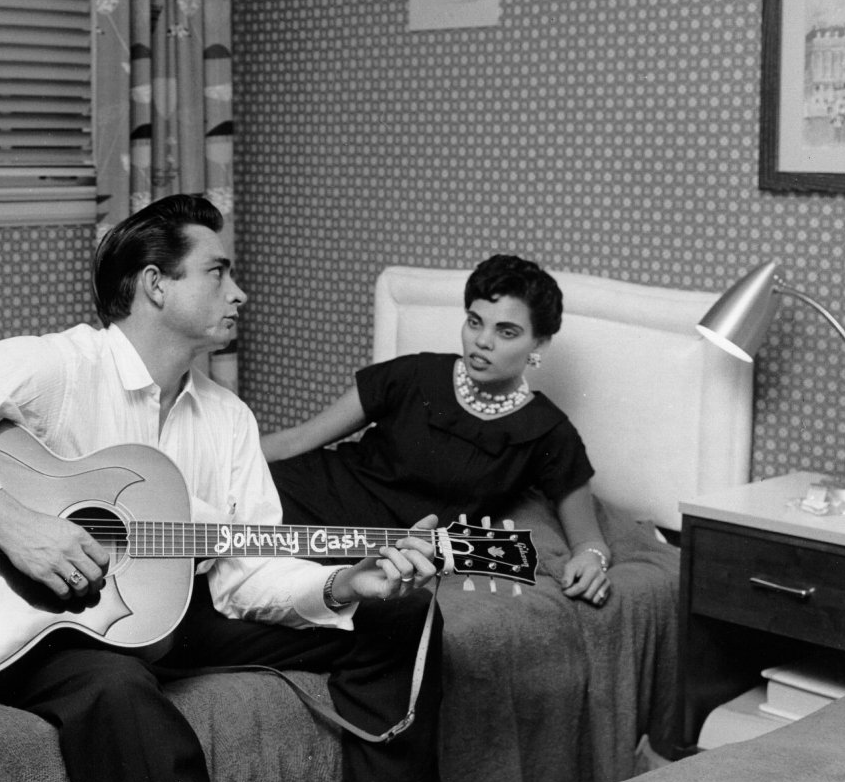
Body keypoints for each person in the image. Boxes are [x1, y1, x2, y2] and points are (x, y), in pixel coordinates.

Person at [0, 194, 443, 782]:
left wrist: (342, 584)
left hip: (169, 611)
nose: (240, 294)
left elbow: (241, 576)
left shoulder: (228, 418)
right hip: (45, 620)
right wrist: (6, 519)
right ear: (155, 285)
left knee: (400, 612)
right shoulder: (60, 367)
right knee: (116, 685)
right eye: (218, 273)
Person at [262, 253, 612, 607]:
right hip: (302, 496)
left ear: (539, 344)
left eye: (506, 332)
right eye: (475, 322)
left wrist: (591, 559)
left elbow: (588, 540)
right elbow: (296, 440)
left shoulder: (547, 430)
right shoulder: (412, 374)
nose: (483, 341)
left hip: (379, 550)